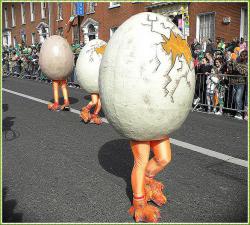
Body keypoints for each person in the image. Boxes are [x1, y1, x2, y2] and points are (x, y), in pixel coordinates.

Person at [231, 50, 248, 119]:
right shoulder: (238, 62)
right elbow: (233, 70)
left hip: (241, 82)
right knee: (235, 97)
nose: (240, 57)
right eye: (240, 55)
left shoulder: (246, 64)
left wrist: (235, 64)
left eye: (242, 55)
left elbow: (242, 71)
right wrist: (231, 65)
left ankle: (239, 113)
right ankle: (237, 111)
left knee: (238, 98)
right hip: (235, 81)